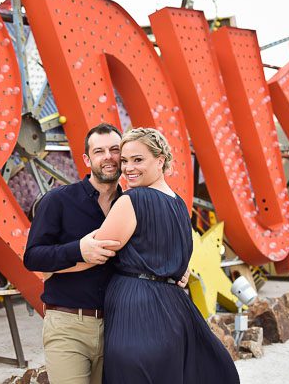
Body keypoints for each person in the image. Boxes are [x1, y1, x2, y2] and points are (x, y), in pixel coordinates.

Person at [82, 127, 239, 384]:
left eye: (137, 159)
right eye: (124, 161)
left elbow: (94, 251)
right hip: (174, 308)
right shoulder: (179, 203)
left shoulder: (132, 200)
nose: (128, 168)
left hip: (137, 305)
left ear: (160, 160)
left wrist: (54, 261)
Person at [23, 123, 124, 384]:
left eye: (115, 149)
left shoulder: (132, 206)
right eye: (99, 151)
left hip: (118, 328)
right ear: (87, 159)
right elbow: (33, 257)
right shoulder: (58, 201)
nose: (108, 157)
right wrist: (79, 250)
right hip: (68, 324)